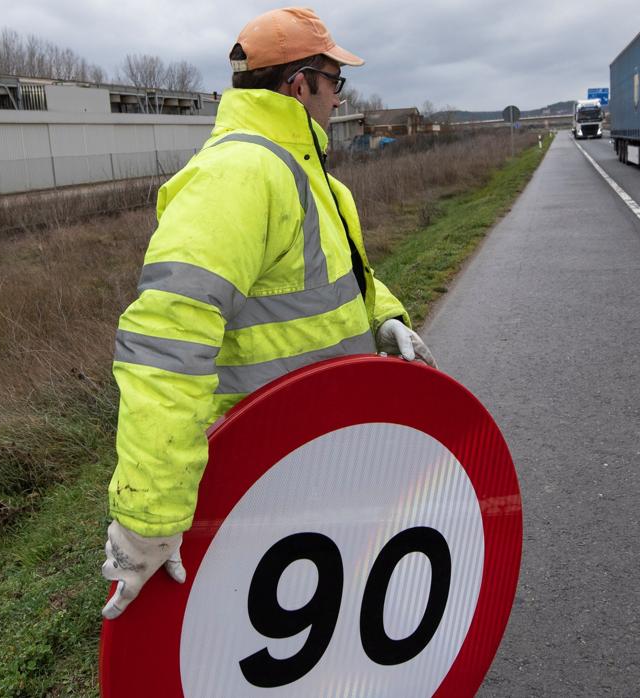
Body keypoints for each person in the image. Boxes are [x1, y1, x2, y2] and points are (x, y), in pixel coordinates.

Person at [100, 7, 435, 619]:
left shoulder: (313, 181)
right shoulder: (237, 175)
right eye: (336, 82)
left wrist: (384, 318)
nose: (340, 97)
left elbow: (339, 281)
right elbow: (167, 343)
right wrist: (147, 518)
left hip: (327, 454)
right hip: (260, 477)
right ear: (301, 83)